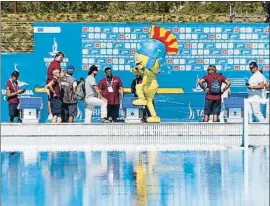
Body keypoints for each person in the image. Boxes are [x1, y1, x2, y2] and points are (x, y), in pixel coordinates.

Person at [46, 51, 65, 121]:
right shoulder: (56, 64)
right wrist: (53, 92)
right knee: (56, 114)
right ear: (56, 56)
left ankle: (50, 114)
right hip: (54, 88)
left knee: (58, 115)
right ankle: (51, 116)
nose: (62, 59)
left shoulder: (53, 63)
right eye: (61, 57)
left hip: (53, 87)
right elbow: (49, 85)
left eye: (62, 58)